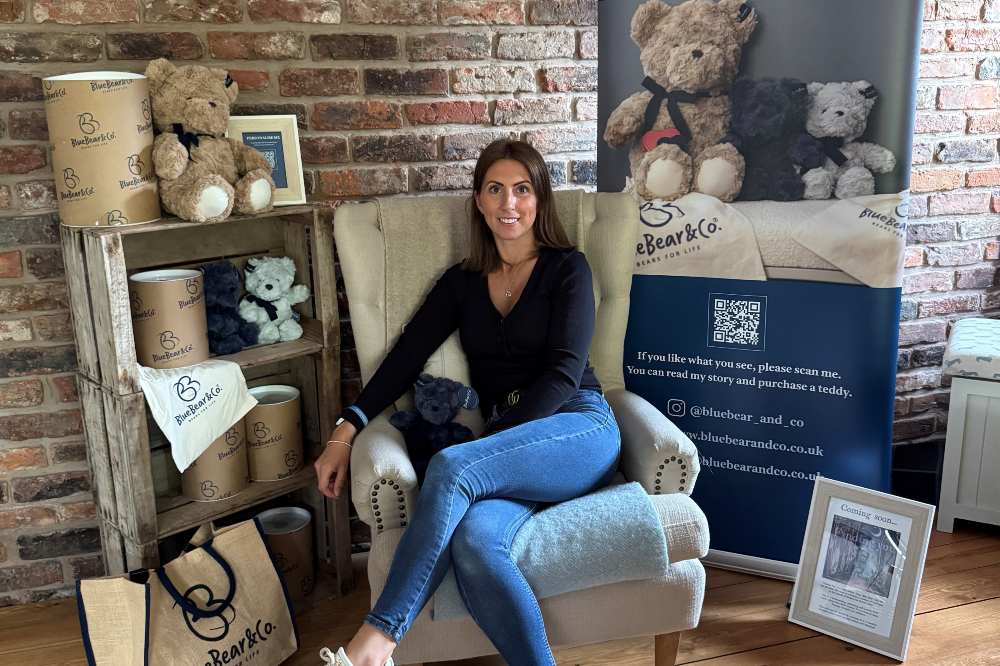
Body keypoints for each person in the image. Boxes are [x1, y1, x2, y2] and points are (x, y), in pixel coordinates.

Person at [317, 139, 621, 666]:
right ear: (478, 201)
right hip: (510, 452)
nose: (509, 203)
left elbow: (562, 375)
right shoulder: (461, 283)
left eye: (522, 190)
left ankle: (370, 650)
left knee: (453, 466)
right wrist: (346, 430)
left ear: (540, 198)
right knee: (476, 544)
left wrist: (489, 448)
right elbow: (403, 359)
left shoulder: (567, 268)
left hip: (577, 427)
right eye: (495, 190)